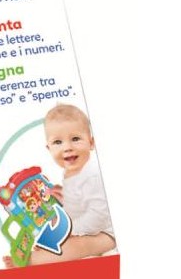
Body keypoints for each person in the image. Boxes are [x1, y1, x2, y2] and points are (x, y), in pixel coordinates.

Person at [28, 104, 115, 264]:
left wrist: (71, 231)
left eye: (75, 139)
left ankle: (33, 260)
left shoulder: (92, 175)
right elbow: (81, 201)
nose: (67, 147)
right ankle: (49, 249)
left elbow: (98, 216)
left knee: (79, 246)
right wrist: (64, 197)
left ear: (91, 142)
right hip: (86, 226)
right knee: (55, 225)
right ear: (49, 148)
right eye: (58, 142)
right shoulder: (70, 173)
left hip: (107, 233)